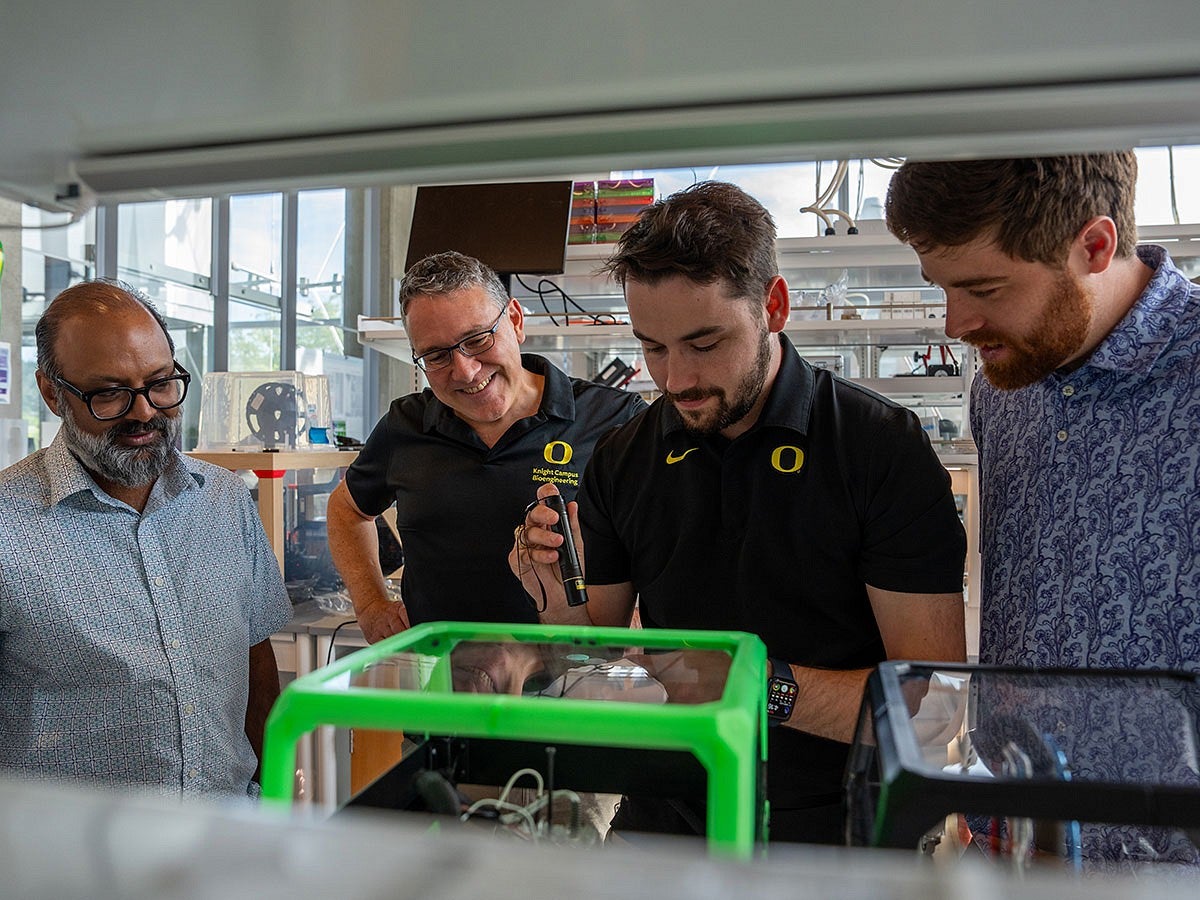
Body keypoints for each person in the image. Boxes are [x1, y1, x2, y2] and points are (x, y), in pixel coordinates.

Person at [510, 181, 968, 844]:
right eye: (653, 347)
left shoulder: (878, 449)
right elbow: (594, 659)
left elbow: (928, 706)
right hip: (663, 817)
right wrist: (551, 596)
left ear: (773, 305)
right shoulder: (622, 458)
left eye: (704, 343)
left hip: (837, 831)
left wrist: (760, 686)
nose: (675, 381)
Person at [885, 153, 1200, 675]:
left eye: (985, 289)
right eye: (942, 287)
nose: (955, 324)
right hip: (1015, 755)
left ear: (1094, 247)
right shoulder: (997, 389)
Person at [0, 281, 292, 798]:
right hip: (70, 868)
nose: (143, 413)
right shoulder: (9, 524)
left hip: (227, 839)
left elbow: (256, 663)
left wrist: (271, 798)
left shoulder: (223, 499)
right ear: (51, 392)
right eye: (109, 393)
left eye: (160, 383)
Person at [327, 251, 645, 643]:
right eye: (437, 355)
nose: (465, 370)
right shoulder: (405, 425)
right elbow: (346, 509)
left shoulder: (613, 419)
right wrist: (370, 605)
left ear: (514, 320)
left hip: (572, 674)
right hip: (441, 681)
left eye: (477, 339)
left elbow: (665, 538)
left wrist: (639, 619)